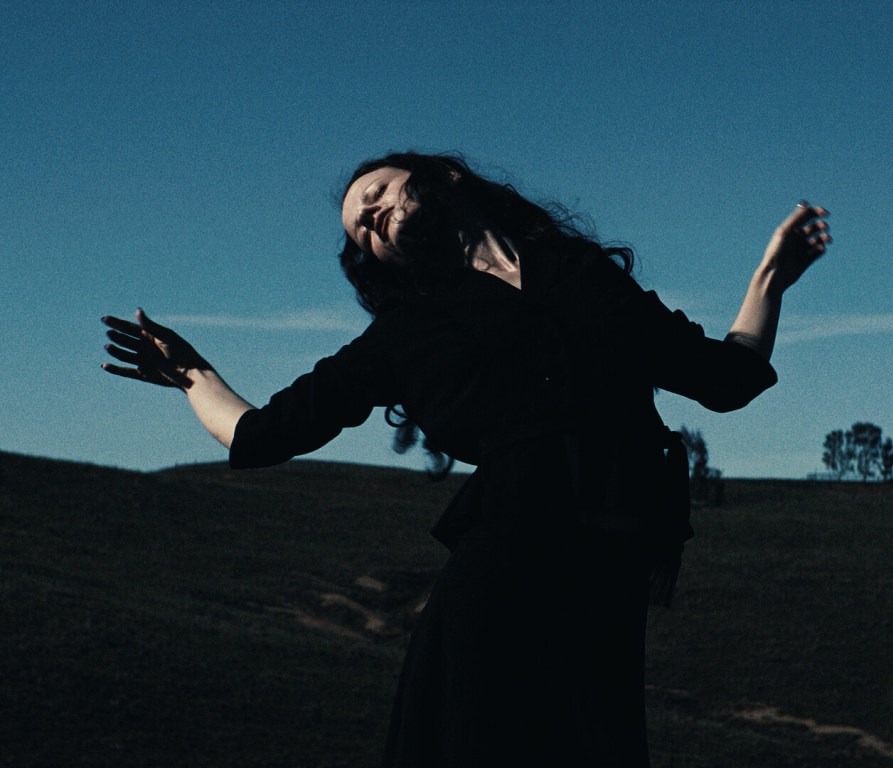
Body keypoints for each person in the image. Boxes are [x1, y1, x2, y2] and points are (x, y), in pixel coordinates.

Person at [102, 152, 830, 767]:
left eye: (375, 194)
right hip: (499, 582)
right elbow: (258, 435)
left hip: (608, 579)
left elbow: (726, 379)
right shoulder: (405, 335)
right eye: (360, 229)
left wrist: (770, 277)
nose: (369, 218)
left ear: (445, 177)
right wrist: (190, 373)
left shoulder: (580, 274)